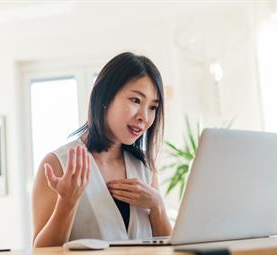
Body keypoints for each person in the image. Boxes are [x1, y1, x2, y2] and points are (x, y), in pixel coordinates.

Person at [32, 52, 173, 247]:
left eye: (153, 107)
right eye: (135, 100)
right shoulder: (57, 164)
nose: (145, 117)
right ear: (105, 97)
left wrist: (157, 206)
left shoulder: (144, 168)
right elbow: (41, 252)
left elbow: (171, 248)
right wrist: (67, 203)